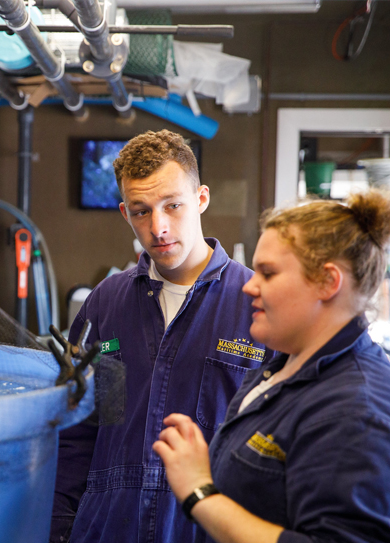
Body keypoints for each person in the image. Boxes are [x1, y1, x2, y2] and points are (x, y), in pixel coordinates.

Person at [153, 190, 390, 543]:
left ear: (328, 282)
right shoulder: (281, 369)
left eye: (268, 273)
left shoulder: (360, 414)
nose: (250, 285)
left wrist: (200, 493)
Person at [50, 130, 271, 543]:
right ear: (124, 212)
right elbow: (79, 428)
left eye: (173, 206)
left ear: (201, 198)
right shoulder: (106, 303)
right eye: (141, 211)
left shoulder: (256, 302)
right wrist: (61, 529)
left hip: (210, 527)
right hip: (109, 528)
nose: (159, 227)